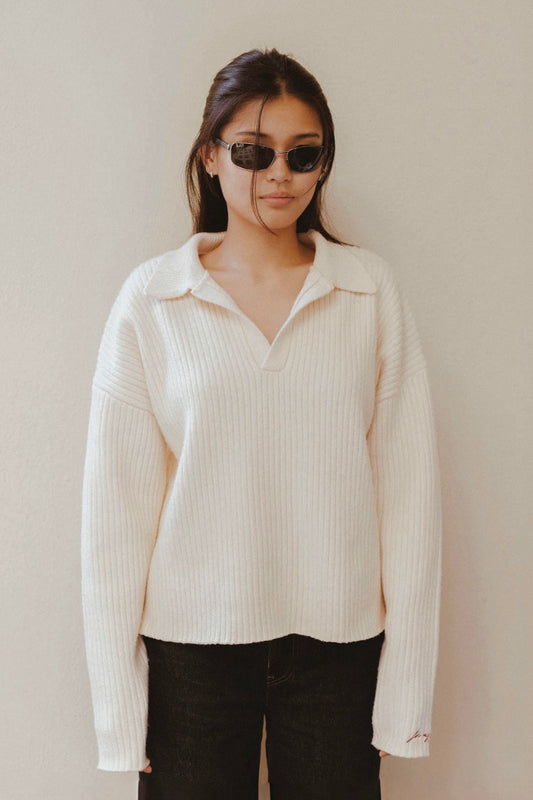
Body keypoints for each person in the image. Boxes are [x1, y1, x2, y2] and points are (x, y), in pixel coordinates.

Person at [81, 48, 442, 800]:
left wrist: (405, 694)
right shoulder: (154, 300)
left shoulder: (368, 293)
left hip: (338, 650)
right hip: (190, 654)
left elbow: (410, 502)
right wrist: (119, 713)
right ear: (210, 156)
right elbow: (114, 517)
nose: (279, 174)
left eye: (302, 154)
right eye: (253, 151)